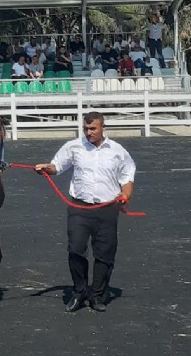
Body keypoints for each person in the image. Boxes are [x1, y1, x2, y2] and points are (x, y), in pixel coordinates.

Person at [34, 112, 136, 313]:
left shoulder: (117, 151)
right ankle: (79, 292)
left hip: (107, 209)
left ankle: (97, 295)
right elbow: (57, 166)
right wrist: (47, 168)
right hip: (79, 208)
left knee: (105, 254)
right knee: (76, 249)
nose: (88, 133)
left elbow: (127, 175)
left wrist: (126, 195)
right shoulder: (74, 147)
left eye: (93, 129)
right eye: (86, 129)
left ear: (103, 128)